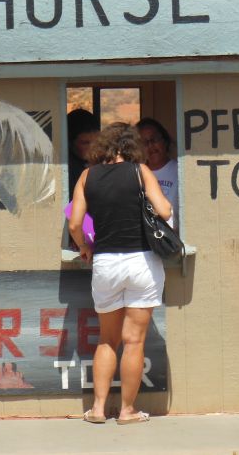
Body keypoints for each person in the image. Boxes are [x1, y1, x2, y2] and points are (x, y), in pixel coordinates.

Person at [68, 122, 172, 425]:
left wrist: (85, 247)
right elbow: (164, 211)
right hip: (142, 262)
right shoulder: (141, 172)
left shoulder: (88, 176)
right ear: (131, 146)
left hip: (106, 262)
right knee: (134, 341)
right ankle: (127, 411)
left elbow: (75, 224)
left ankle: (98, 409)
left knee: (107, 339)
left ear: (102, 146)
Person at [136, 118, 178, 228]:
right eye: (144, 143)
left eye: (154, 139)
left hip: (174, 237)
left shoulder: (179, 170)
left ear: (164, 140)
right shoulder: (137, 173)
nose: (151, 146)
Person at [67, 108, 100, 199]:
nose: (93, 148)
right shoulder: (65, 169)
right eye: (85, 143)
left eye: (97, 142)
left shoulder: (105, 162)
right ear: (70, 143)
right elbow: (68, 206)